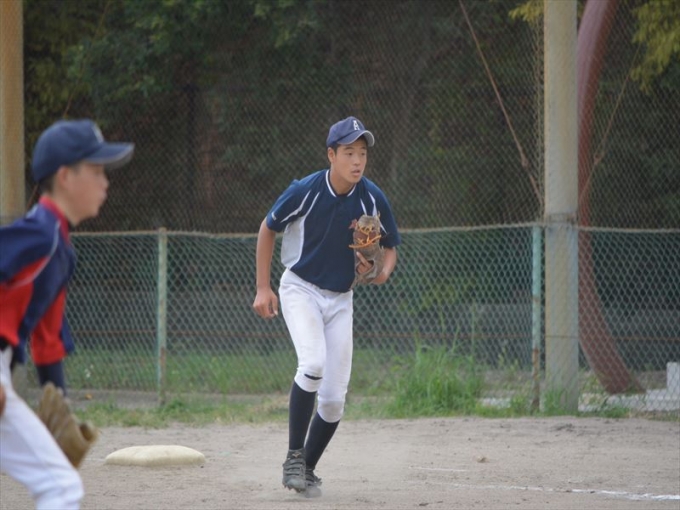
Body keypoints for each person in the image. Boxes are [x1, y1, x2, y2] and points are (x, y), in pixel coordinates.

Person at [252, 116, 401, 498]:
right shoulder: (305, 191)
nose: (357, 160)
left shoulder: (372, 197)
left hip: (341, 299)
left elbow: (390, 248)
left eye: (362, 152)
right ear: (331, 155)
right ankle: (293, 457)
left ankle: (307, 469)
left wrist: (380, 272)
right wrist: (264, 288)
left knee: (334, 400)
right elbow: (267, 228)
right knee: (313, 363)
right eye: (349, 152)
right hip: (300, 289)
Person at [0, 119, 134, 509]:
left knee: (58, 479)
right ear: (65, 176)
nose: (105, 182)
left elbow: (48, 340)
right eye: (96, 171)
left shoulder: (59, 248)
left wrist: (60, 404)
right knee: (60, 485)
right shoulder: (39, 234)